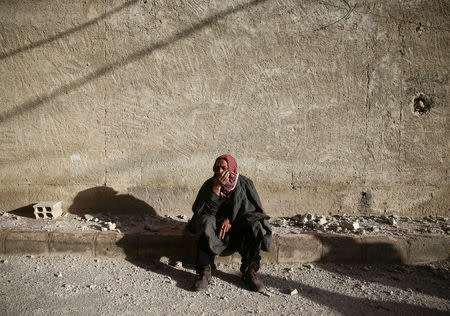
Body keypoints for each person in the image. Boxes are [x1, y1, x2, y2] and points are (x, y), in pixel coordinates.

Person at [188, 154, 272, 292]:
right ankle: (205, 270)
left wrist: (231, 220)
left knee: (255, 224)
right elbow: (203, 212)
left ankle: (249, 270)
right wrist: (216, 189)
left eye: (224, 168)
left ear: (232, 169)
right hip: (216, 229)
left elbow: (253, 211)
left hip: (238, 228)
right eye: (217, 168)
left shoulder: (245, 184)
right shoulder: (209, 184)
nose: (219, 171)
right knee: (206, 221)